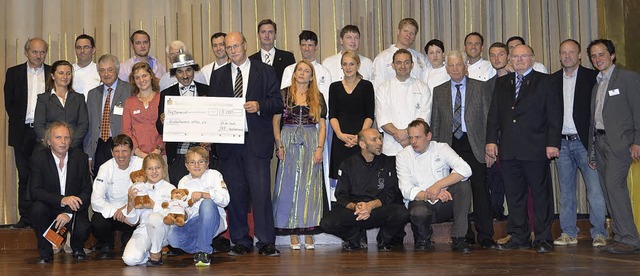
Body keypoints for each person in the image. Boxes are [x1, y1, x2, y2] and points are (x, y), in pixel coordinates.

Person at [208, 32, 283, 257]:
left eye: (236, 46)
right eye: (228, 47)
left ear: (245, 45)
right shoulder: (218, 75)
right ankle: (240, 240)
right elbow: (213, 108)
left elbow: (278, 103)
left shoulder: (265, 71)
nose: (232, 50)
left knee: (261, 193)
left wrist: (259, 105)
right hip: (229, 144)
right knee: (236, 194)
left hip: (256, 141)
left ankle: (266, 241)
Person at [486, 44, 562, 253]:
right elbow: (494, 116)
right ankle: (519, 236)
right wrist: (491, 140)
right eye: (516, 56)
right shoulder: (502, 83)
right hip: (509, 150)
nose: (519, 60)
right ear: (510, 59)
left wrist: (553, 143)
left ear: (532, 58)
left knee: (540, 195)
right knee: (514, 196)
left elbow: (555, 115)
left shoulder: (546, 81)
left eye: (524, 56)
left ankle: (543, 238)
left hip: (537, 149)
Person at [430, 51, 496, 248]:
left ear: (465, 66)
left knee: (480, 191)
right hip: (449, 147)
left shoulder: (480, 87)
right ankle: (464, 234)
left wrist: (490, 146)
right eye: (451, 66)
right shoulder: (438, 90)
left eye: (459, 65)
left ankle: (486, 236)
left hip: (474, 145)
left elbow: (489, 120)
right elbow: (435, 123)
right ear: (446, 68)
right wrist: (435, 152)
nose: (455, 69)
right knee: (459, 192)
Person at [551, 39, 607, 248]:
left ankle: (600, 233)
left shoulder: (593, 77)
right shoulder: (553, 80)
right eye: (563, 52)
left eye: (571, 52)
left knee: (595, 191)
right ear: (559, 55)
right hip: (562, 145)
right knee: (566, 193)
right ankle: (568, 233)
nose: (567, 56)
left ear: (580, 55)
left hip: (586, 144)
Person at [587, 39, 640, 254]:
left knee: (614, 187)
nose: (598, 59)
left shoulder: (628, 78)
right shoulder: (597, 83)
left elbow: (638, 109)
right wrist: (592, 150)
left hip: (620, 143)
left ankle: (630, 238)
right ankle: (619, 235)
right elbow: (594, 119)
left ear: (612, 55)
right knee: (608, 190)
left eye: (601, 54)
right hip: (599, 143)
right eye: (593, 56)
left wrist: (638, 140)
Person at [320, 128, 409, 251]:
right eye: (374, 140)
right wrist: (356, 207)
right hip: (356, 210)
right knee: (327, 222)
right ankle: (354, 238)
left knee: (401, 212)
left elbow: (391, 193)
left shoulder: (389, 162)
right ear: (362, 144)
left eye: (380, 138)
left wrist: (371, 206)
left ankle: (384, 239)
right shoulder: (347, 164)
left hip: (378, 208)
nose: (379, 143)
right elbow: (341, 195)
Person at [272, 60, 327, 250]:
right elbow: (276, 120)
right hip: (288, 137)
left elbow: (322, 125)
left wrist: (319, 147)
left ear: (312, 76)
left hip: (311, 139)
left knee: (309, 185)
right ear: (294, 73)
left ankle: (308, 231)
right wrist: (279, 145)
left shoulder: (317, 96)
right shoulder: (284, 94)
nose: (302, 73)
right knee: (288, 184)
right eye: (299, 70)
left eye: (306, 71)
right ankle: (292, 231)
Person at [397, 119, 472, 253]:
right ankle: (423, 237)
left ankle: (459, 237)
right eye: (411, 137)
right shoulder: (403, 156)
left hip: (444, 202)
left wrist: (438, 186)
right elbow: (406, 190)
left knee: (463, 185)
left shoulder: (441, 148)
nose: (413, 141)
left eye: (418, 137)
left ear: (429, 136)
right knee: (417, 212)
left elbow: (466, 169)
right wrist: (430, 193)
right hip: (421, 203)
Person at [4, 37, 51, 229]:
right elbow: (10, 103)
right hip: (22, 131)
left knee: (43, 176)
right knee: (24, 175)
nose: (38, 56)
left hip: (44, 133)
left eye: (42, 52)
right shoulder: (14, 73)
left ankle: (43, 216)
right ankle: (25, 218)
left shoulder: (51, 72)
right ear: (26, 52)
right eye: (35, 52)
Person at [29, 122, 92, 263]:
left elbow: (87, 191)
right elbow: (35, 191)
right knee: (37, 209)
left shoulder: (80, 158)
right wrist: (62, 199)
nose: (63, 142)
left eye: (67, 138)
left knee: (83, 227)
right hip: (50, 206)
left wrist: (68, 212)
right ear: (49, 141)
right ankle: (45, 254)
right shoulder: (38, 159)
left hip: (74, 208)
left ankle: (77, 248)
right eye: (58, 137)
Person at [168, 146, 230, 266]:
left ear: (207, 163)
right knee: (173, 238)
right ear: (186, 165)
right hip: (193, 222)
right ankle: (201, 245)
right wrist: (183, 214)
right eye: (192, 162)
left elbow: (225, 200)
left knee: (206, 203)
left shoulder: (214, 175)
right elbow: (185, 206)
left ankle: (203, 251)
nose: (196, 165)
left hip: (213, 219)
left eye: (201, 162)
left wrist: (204, 194)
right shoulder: (183, 181)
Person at [157, 51, 209, 185]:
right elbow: (159, 128)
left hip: (203, 150)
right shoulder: (166, 94)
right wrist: (163, 122)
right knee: (179, 194)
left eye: (188, 70)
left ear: (194, 70)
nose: (185, 76)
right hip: (178, 154)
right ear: (175, 73)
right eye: (180, 72)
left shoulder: (207, 91)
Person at [91, 134, 142, 259]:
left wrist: (126, 210)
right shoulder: (105, 168)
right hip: (112, 213)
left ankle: (128, 241)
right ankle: (107, 244)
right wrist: (116, 211)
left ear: (131, 151)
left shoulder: (141, 165)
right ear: (111, 152)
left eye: (124, 151)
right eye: (117, 151)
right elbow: (96, 200)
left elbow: (143, 194)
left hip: (132, 211)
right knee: (97, 222)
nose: (121, 155)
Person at [328, 51, 375, 186]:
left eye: (351, 64)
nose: (348, 67)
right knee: (340, 179)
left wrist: (359, 137)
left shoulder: (367, 86)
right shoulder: (334, 87)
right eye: (345, 64)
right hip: (340, 139)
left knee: (360, 177)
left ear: (358, 65)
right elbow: (333, 115)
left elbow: (370, 115)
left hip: (360, 139)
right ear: (341, 66)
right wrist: (340, 135)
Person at [376, 49, 431, 157]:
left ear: (412, 65)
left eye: (406, 62)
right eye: (398, 62)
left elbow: (423, 117)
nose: (403, 66)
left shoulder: (423, 87)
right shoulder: (383, 88)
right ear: (393, 65)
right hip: (391, 149)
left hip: (416, 148)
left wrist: (407, 135)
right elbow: (382, 119)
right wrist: (400, 136)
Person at [122, 153, 174, 266]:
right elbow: (132, 221)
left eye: (157, 168)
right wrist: (130, 202)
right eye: (150, 168)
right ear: (144, 171)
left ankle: (156, 253)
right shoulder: (138, 188)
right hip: (144, 229)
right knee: (129, 259)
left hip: (165, 230)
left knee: (154, 218)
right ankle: (148, 253)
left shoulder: (170, 189)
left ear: (163, 169)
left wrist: (153, 205)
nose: (154, 172)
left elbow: (173, 214)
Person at [85, 54, 132, 174]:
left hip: (121, 145)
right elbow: (90, 128)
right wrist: (89, 155)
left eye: (110, 70)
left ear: (117, 70)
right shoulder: (92, 95)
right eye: (102, 70)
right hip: (99, 146)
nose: (106, 74)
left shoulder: (129, 90)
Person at [34, 60, 88, 150]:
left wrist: (69, 143)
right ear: (53, 76)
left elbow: (83, 124)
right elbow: (39, 126)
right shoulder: (43, 99)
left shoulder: (79, 98)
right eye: (61, 73)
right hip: (49, 148)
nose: (65, 77)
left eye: (68, 73)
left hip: (73, 147)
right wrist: (52, 144)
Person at [486, 42, 510, 222]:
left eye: (500, 54)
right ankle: (496, 212)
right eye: (493, 55)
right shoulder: (486, 86)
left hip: (515, 140)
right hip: (494, 141)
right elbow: (485, 118)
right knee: (494, 179)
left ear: (508, 56)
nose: (497, 58)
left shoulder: (518, 80)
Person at [122, 62, 164, 159]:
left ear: (151, 76)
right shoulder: (129, 102)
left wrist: (158, 150)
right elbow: (126, 130)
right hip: (136, 156)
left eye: (144, 75)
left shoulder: (162, 99)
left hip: (161, 155)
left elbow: (167, 128)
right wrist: (138, 152)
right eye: (137, 77)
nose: (141, 80)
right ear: (134, 81)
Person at [372, 18, 429, 88]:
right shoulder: (382, 58)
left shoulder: (421, 58)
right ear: (398, 32)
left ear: (414, 37)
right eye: (405, 31)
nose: (408, 35)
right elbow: (377, 86)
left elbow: (427, 83)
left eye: (412, 33)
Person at [72, 34, 100, 100]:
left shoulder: (100, 70)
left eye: (86, 47)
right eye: (78, 47)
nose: (82, 51)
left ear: (93, 50)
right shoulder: (68, 71)